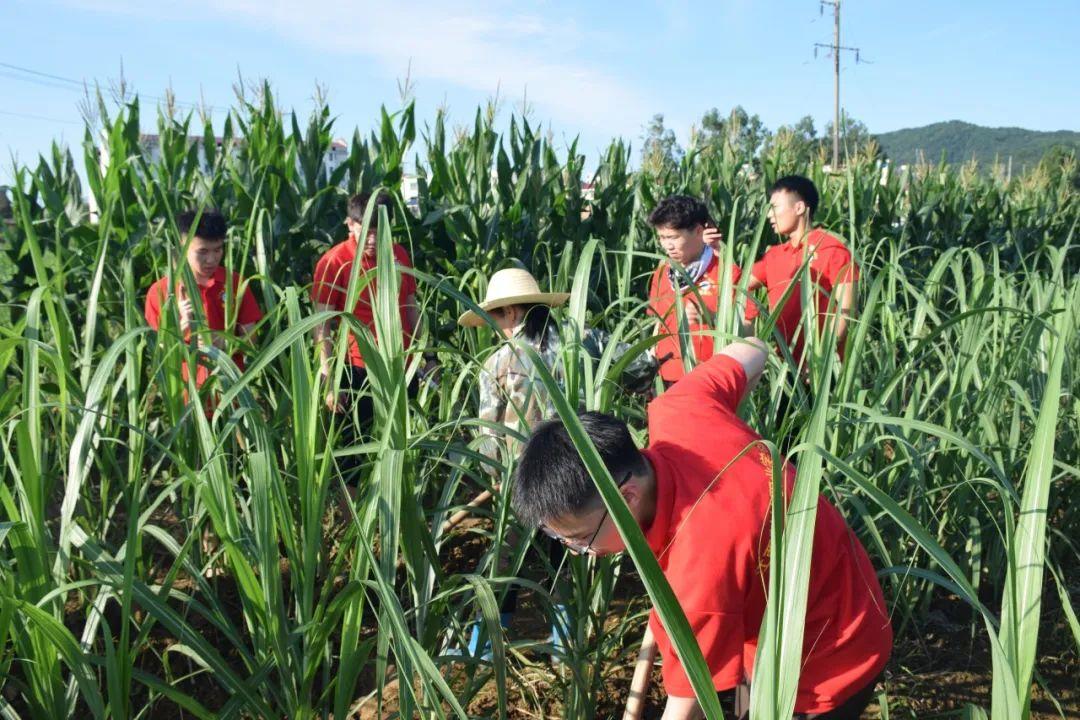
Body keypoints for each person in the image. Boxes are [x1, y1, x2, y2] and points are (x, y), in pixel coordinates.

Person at [510, 339, 892, 719]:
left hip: (829, 657)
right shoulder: (681, 409)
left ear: (626, 497)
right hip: (804, 593)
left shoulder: (699, 573)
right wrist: (727, 437)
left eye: (579, 539)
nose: (582, 551)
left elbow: (685, 708)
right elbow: (753, 348)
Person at [455, 267, 656, 659]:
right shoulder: (585, 340)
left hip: (521, 482)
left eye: (495, 317)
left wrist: (495, 477)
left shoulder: (497, 365)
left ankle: (484, 651)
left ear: (512, 313)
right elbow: (640, 366)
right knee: (571, 551)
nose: (494, 327)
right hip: (580, 477)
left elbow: (487, 437)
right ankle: (567, 647)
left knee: (505, 562)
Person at [311, 191, 420, 422]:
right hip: (358, 370)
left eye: (379, 233)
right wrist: (329, 378)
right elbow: (322, 326)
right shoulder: (334, 262)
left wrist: (428, 357)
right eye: (366, 232)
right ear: (350, 224)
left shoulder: (398, 254)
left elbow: (411, 307)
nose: (372, 241)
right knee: (356, 450)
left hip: (402, 364)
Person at [144, 208, 263, 394]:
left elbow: (252, 340)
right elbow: (159, 349)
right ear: (183, 247)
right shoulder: (160, 292)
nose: (211, 259)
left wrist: (223, 344)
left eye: (218, 250)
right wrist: (182, 324)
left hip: (232, 393)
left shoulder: (234, 283)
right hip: (184, 397)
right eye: (202, 251)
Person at [743, 176, 859, 364]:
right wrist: (712, 250)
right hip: (785, 368)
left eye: (775, 208)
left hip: (825, 369)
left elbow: (848, 310)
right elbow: (737, 284)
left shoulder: (832, 250)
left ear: (799, 208)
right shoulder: (773, 256)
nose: (769, 216)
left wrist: (820, 359)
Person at [647, 195, 749, 387]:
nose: (667, 246)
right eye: (662, 238)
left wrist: (711, 316)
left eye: (674, 237)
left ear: (698, 231)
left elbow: (748, 330)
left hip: (708, 379)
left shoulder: (727, 274)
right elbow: (657, 325)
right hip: (664, 378)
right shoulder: (662, 274)